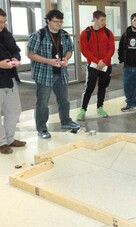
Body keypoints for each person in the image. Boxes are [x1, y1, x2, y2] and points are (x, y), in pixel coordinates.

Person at [27, 9, 80, 139]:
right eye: (55, 21)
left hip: (61, 73)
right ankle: (42, 128)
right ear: (48, 21)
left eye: (60, 22)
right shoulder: (38, 35)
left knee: (64, 100)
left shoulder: (65, 35)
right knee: (43, 103)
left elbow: (69, 50)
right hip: (44, 74)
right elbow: (30, 54)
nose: (58, 24)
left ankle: (66, 122)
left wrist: (66, 58)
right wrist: (49, 61)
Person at [77, 10, 115, 120]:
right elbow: (84, 50)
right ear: (95, 19)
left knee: (102, 87)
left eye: (104, 20)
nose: (104, 22)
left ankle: (100, 107)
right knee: (89, 87)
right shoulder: (85, 33)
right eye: (102, 20)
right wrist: (97, 61)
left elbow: (111, 49)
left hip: (105, 65)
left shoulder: (108, 33)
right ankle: (83, 109)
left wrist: (104, 61)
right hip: (92, 65)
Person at [0, 8, 26, 153]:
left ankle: (9, 138)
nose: (2, 25)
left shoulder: (6, 34)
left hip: (9, 78)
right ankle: (1, 142)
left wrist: (16, 58)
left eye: (4, 22)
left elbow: (15, 49)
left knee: (14, 110)